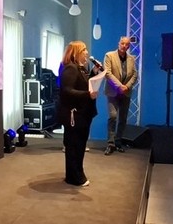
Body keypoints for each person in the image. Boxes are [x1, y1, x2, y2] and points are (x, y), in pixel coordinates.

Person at [59, 41, 99, 186]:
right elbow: (67, 91)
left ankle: (76, 174)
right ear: (77, 53)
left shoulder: (81, 68)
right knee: (74, 147)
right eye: (84, 50)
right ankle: (74, 177)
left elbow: (84, 84)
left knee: (79, 146)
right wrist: (88, 95)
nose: (87, 53)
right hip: (74, 115)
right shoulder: (71, 68)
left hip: (83, 114)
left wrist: (94, 73)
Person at [103, 36, 138, 155]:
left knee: (123, 118)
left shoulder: (131, 59)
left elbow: (135, 75)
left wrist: (126, 86)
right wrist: (119, 86)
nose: (124, 46)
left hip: (126, 92)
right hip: (113, 91)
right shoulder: (109, 56)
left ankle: (118, 142)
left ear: (129, 46)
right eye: (122, 43)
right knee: (113, 116)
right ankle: (110, 143)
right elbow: (107, 73)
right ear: (119, 43)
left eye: (127, 44)